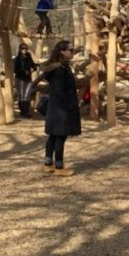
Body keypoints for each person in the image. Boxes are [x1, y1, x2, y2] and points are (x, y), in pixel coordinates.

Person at [32, 39, 82, 176]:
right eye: (70, 50)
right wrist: (69, 106)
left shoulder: (60, 67)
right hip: (61, 108)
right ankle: (59, 167)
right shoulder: (60, 69)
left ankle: (48, 164)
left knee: (53, 136)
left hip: (56, 107)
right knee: (60, 136)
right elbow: (60, 90)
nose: (72, 52)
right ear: (62, 52)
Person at [13, 43, 38, 117]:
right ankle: (23, 112)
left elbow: (33, 65)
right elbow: (15, 70)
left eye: (26, 48)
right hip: (20, 78)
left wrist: (33, 69)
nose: (24, 50)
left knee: (27, 95)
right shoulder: (17, 59)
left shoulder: (29, 57)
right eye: (22, 48)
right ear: (20, 49)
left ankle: (26, 112)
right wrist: (24, 72)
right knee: (21, 95)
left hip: (28, 79)